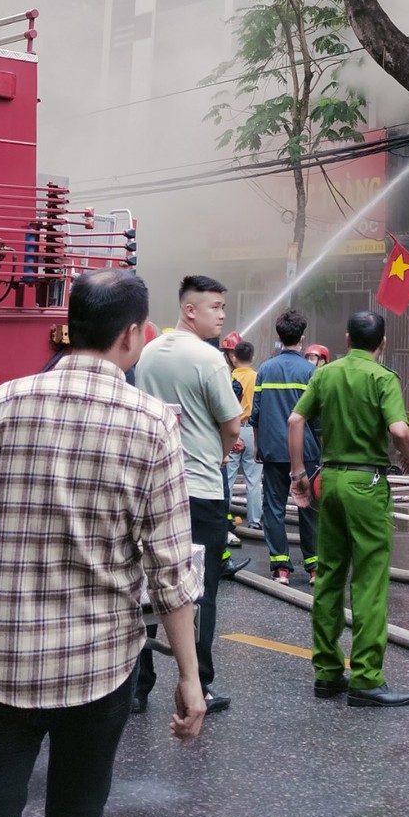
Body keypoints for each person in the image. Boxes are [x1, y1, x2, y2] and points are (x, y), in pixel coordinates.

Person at [0, 268, 205, 817]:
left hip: (4, 659)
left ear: (71, 328)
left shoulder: (5, 403)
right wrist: (189, 678)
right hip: (99, 667)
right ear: (130, 335)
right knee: (77, 811)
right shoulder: (152, 425)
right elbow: (169, 569)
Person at [288, 310, 409, 707]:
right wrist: (407, 457)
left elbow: (295, 420)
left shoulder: (325, 374)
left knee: (328, 576)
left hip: (331, 480)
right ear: (383, 344)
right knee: (369, 582)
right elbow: (398, 429)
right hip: (367, 484)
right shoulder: (383, 378)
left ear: (345, 340)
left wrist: (299, 475)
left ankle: (326, 673)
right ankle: (365, 679)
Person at [131, 275, 244, 714]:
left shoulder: (147, 351)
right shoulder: (210, 359)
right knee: (199, 590)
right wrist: (215, 457)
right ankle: (199, 685)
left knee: (143, 586)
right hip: (198, 490)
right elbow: (232, 425)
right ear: (190, 310)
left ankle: (136, 687)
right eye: (215, 306)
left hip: (149, 485)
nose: (222, 314)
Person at [251, 310, 322, 586]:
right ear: (302, 339)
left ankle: (280, 567)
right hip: (306, 452)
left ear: (279, 338)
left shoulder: (265, 370)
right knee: (310, 507)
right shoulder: (311, 371)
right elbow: (317, 416)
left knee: (274, 508)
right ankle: (314, 566)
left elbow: (255, 414)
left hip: (273, 450)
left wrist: (258, 445)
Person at [221, 335, 263, 544]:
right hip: (251, 429)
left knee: (227, 477)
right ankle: (255, 521)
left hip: (232, 429)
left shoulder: (228, 376)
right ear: (253, 357)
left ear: (234, 357)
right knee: (253, 479)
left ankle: (225, 519)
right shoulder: (258, 377)